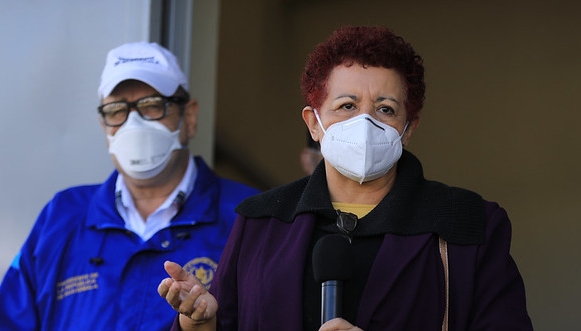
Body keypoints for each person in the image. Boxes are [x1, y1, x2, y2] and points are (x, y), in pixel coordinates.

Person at [158, 26, 534, 331]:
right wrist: (199, 325)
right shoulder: (261, 220)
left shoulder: (468, 224)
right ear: (314, 123)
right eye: (347, 106)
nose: (365, 123)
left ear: (408, 127)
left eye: (385, 109)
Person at [0, 41, 259, 331]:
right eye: (116, 110)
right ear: (103, 124)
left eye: (151, 106)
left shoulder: (248, 218)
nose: (132, 123)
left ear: (189, 117)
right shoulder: (61, 217)